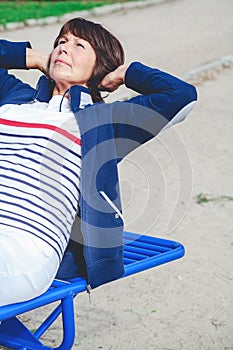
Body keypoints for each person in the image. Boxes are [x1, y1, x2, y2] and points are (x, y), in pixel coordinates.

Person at [0, 17, 197, 307]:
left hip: (24, 247)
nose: (64, 49)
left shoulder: (103, 122)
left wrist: (126, 73)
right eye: (61, 43)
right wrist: (33, 58)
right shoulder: (16, 97)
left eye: (79, 45)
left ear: (98, 67)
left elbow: (181, 97)